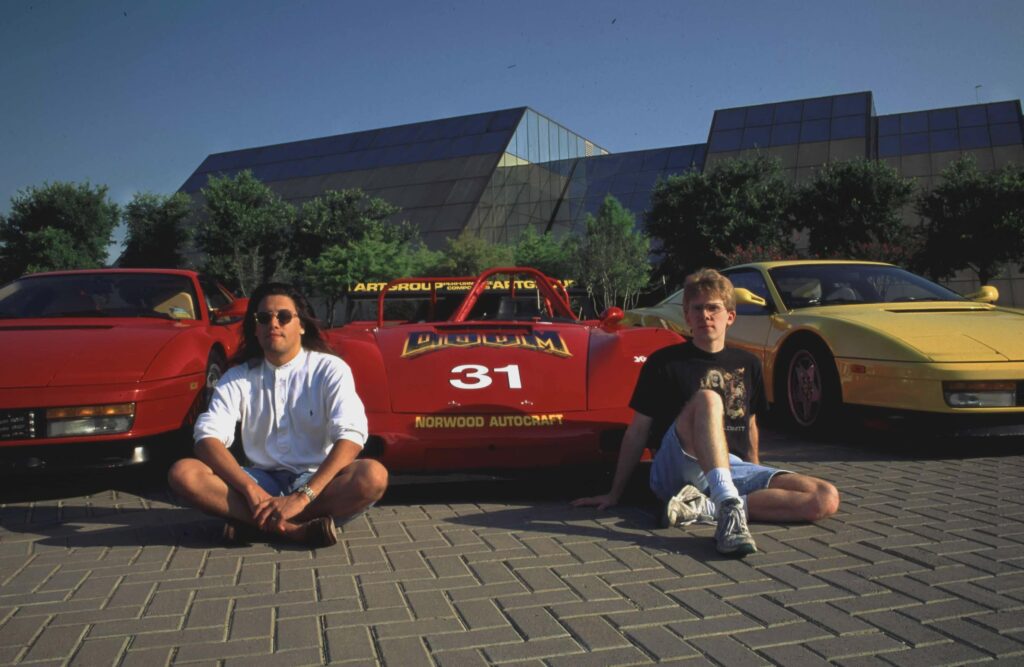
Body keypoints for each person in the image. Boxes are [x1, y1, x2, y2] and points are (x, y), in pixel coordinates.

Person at [573, 268, 839, 556]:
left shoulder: (748, 364)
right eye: (697, 309)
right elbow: (637, 430)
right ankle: (728, 507)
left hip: (729, 466)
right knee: (709, 400)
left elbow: (749, 425)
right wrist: (615, 493)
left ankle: (706, 507)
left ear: (730, 316)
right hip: (675, 469)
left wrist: (756, 470)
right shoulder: (664, 362)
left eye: (713, 308)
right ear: (687, 317)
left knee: (824, 498)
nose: (705, 316)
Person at [168, 282, 388, 547]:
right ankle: (294, 530)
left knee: (373, 477)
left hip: (316, 481)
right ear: (255, 328)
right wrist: (251, 490)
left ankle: (255, 524)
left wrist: (302, 496)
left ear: (302, 325)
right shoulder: (237, 376)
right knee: (184, 473)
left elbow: (352, 435)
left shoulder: (329, 369)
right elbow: (207, 437)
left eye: (283, 316)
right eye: (264, 317)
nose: (274, 323)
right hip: (260, 482)